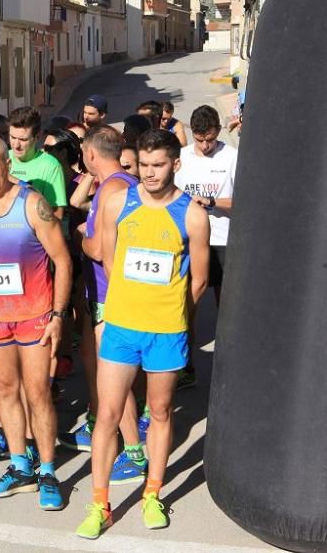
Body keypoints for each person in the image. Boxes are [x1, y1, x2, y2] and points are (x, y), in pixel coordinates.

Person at [75, 129, 210, 540]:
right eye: (145, 165)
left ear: (176, 164)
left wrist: (172, 316)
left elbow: (199, 281)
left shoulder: (192, 215)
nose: (150, 174)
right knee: (108, 415)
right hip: (121, 327)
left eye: (159, 165)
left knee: (162, 412)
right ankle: (99, 504)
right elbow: (110, 261)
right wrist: (123, 306)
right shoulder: (118, 201)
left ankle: (152, 493)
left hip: (166, 331)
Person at [0, 135, 71, 510]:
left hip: (35, 317)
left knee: (38, 394)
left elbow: (63, 260)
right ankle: (20, 467)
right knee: (5, 391)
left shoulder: (33, 204)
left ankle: (48, 472)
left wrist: (58, 316)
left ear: (7, 164)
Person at [61, 125, 147, 487]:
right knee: (117, 378)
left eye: (84, 151)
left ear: (91, 154)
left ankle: (134, 454)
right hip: (117, 293)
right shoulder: (124, 184)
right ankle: (122, 443)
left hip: (108, 295)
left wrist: (81, 238)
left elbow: (99, 249)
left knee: (116, 380)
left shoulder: (112, 189)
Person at [173, 104, 236, 390]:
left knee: (228, 310)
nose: (205, 145)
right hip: (188, 242)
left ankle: (230, 367)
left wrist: (210, 203)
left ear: (218, 132)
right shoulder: (181, 158)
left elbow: (244, 201)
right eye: (199, 139)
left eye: (210, 139)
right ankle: (186, 365)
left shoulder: (232, 156)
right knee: (188, 305)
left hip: (223, 241)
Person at [8, 107, 67, 220]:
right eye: (12, 137)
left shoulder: (50, 165)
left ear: (37, 137)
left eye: (23, 140)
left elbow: (57, 215)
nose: (16, 145)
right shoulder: (2, 158)